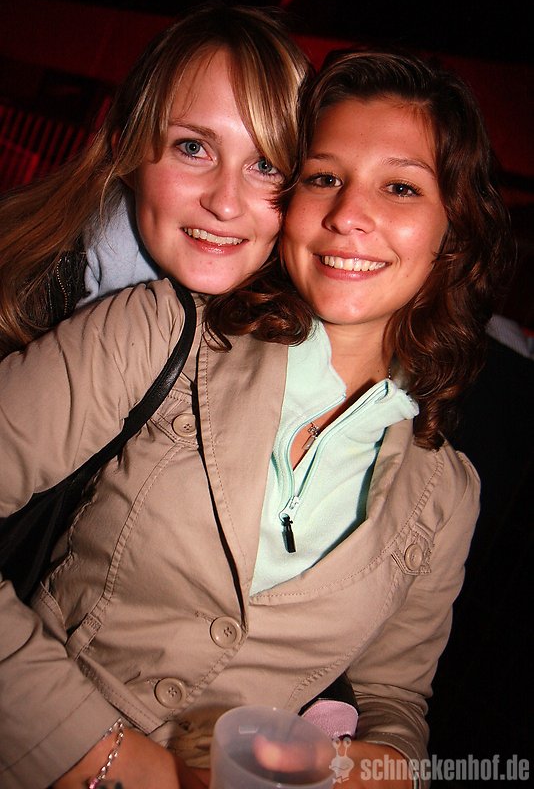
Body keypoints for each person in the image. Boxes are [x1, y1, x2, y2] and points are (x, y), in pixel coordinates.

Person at [0, 51, 512, 789]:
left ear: (453, 231)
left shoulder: (447, 494)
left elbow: (395, 697)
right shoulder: (158, 332)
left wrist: (388, 764)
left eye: (400, 187)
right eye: (324, 178)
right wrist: (93, 750)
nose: (347, 215)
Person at [0, 2, 309, 358]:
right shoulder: (26, 292)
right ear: (127, 155)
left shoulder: (296, 345)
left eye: (266, 165)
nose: (225, 204)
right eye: (193, 148)